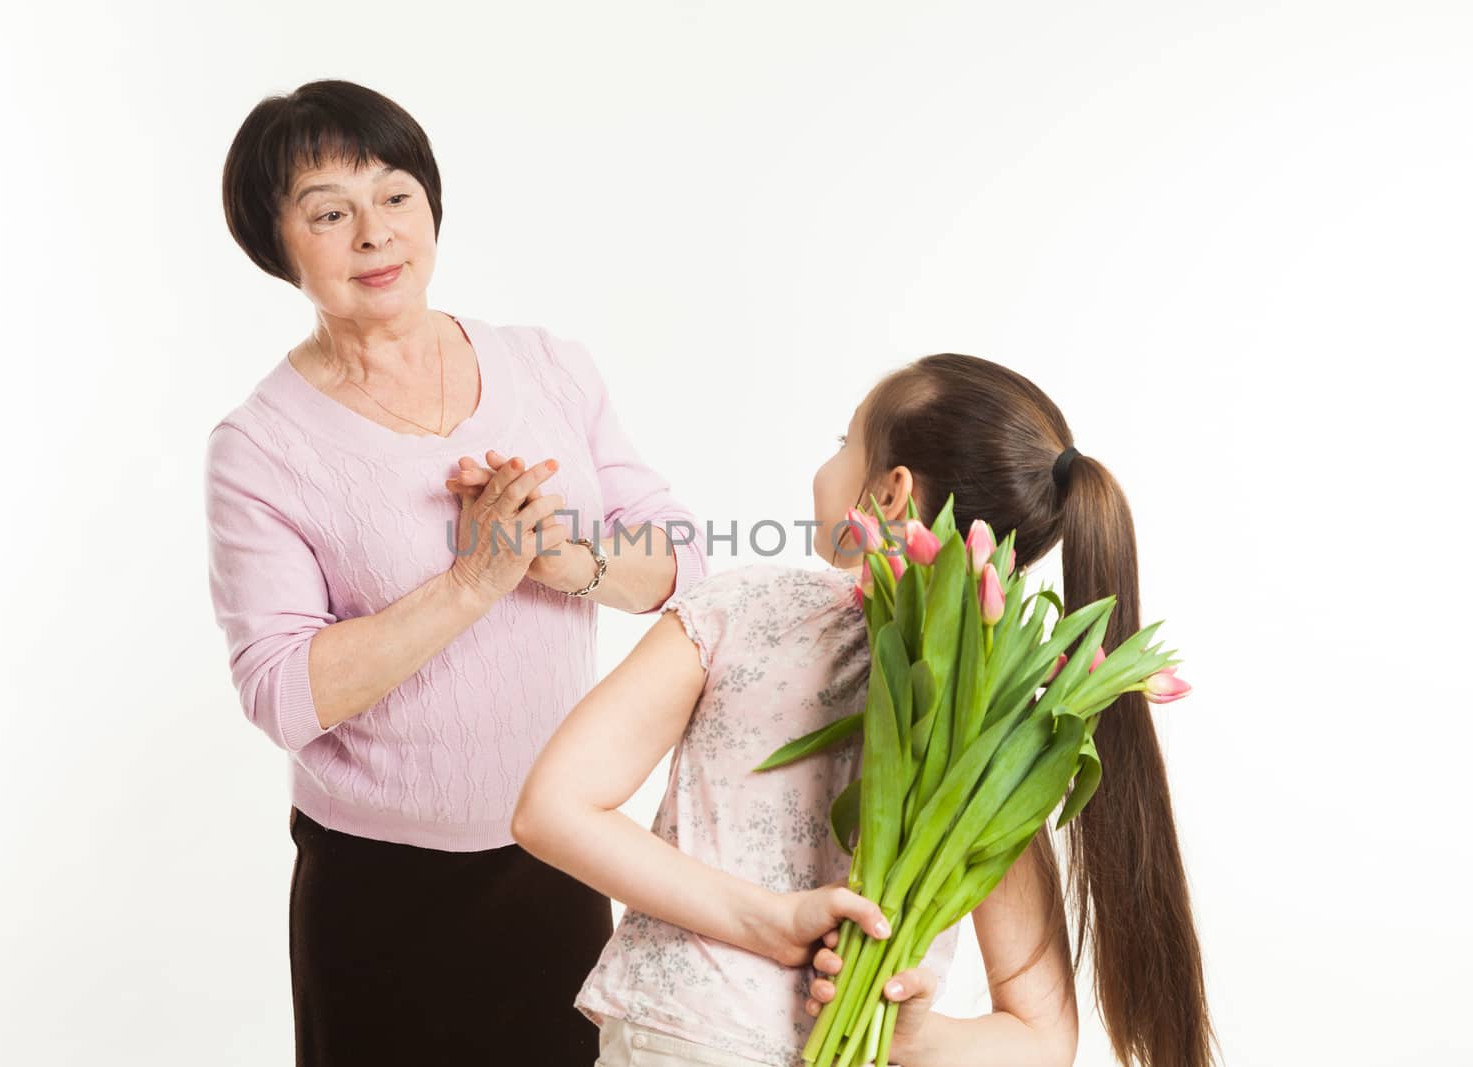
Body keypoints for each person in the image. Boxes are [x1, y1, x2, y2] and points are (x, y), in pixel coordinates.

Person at [512, 353, 1214, 1067]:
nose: (832, 459)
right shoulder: (1005, 728)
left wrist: (771, 927)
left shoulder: (739, 609)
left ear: (890, 491)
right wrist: (912, 1033)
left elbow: (550, 808)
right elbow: (1041, 1040)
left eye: (845, 441)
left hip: (679, 1041)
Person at [205, 79, 706, 1065]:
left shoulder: (547, 366)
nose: (374, 234)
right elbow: (279, 692)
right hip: (373, 884)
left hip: (560, 844)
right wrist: (470, 582)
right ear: (277, 244)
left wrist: (561, 555)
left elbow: (679, 562)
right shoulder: (258, 447)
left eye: (395, 194)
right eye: (328, 212)